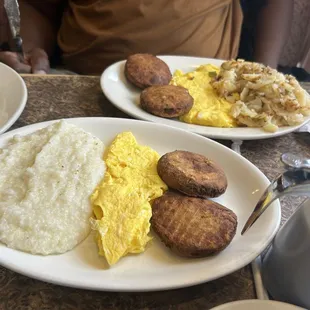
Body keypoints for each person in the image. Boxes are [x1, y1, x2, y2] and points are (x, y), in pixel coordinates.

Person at [0, 0, 292, 75]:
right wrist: (33, 50)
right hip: (80, 79)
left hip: (208, 86)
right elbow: (37, 7)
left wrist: (265, 74)